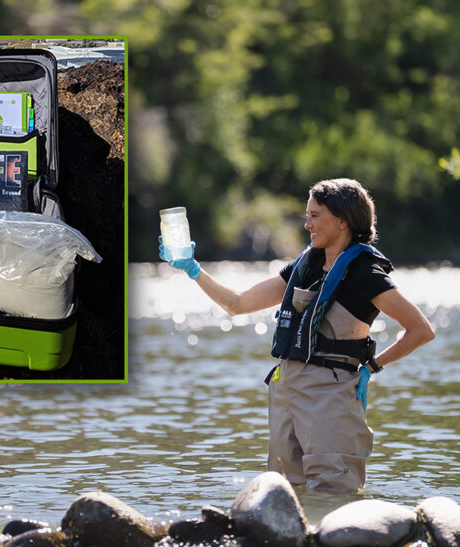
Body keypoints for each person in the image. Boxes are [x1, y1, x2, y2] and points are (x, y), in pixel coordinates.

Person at [160, 178, 435, 492]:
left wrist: (371, 368)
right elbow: (237, 304)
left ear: (343, 221)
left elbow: (421, 331)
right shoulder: (303, 268)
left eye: (315, 216)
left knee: (334, 494)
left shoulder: (366, 274)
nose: (307, 224)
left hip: (330, 396)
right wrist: (193, 269)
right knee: (286, 492)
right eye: (307, 215)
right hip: (285, 390)